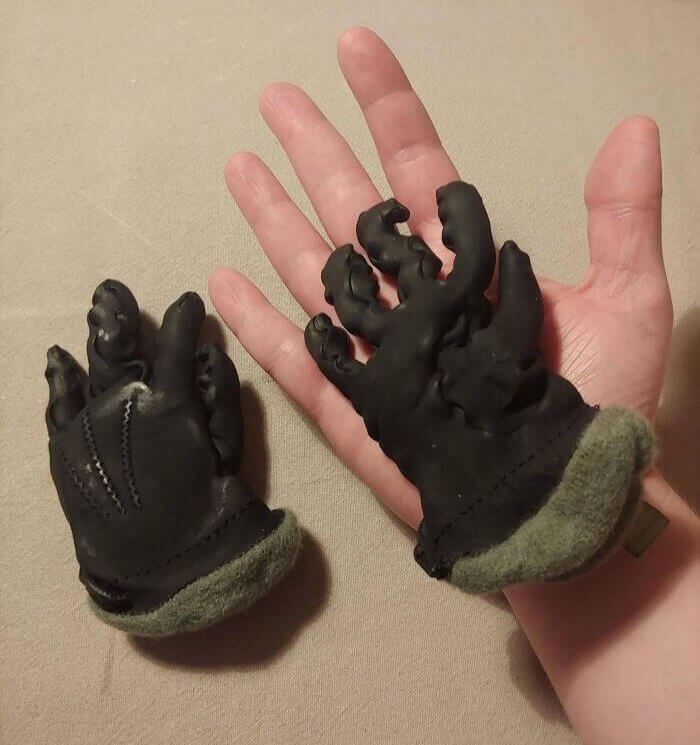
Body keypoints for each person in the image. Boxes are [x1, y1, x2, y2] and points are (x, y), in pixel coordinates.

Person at [209, 26, 700, 745]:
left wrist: (340, 351)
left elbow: (351, 363)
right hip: (507, 496)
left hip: (477, 517)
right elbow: (509, 299)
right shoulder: (455, 328)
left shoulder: (404, 365)